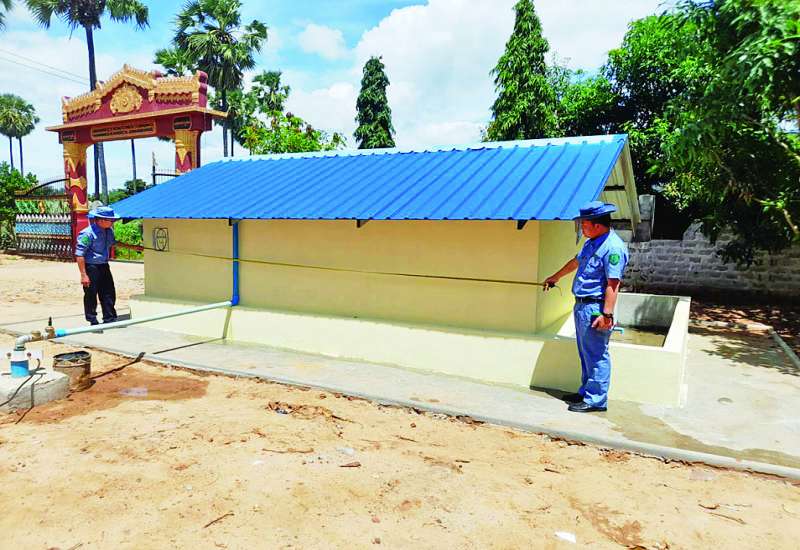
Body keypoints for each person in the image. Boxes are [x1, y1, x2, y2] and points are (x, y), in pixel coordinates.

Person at [544, 201, 629, 413]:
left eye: (584, 224)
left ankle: (596, 400)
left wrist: (607, 315)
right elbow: (576, 262)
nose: (582, 228)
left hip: (596, 308)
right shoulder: (592, 243)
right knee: (585, 353)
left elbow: (613, 284)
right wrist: (555, 277)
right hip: (582, 306)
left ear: (597, 225)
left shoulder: (613, 247)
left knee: (597, 354)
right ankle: (585, 392)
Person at [75, 206, 120, 326]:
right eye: (111, 220)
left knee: (108, 292)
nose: (113, 222)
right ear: (101, 220)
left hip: (104, 265)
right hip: (91, 267)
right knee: (91, 294)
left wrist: (134, 247)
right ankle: (92, 319)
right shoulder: (87, 234)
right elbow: (79, 254)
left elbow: (113, 243)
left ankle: (109, 318)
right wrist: (83, 275)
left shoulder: (109, 231)